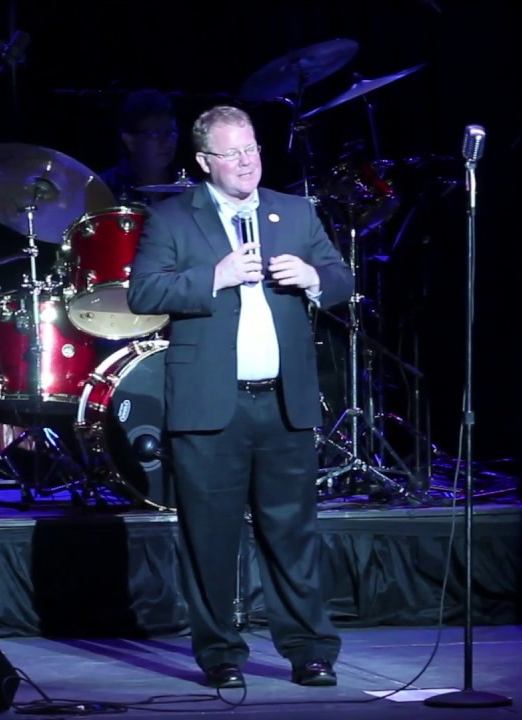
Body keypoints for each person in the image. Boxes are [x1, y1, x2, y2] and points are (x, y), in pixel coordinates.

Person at [126, 105, 355, 689]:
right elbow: (144, 292)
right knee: (210, 534)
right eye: (232, 153)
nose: (247, 162)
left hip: (284, 403)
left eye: (252, 148)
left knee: (293, 532)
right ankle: (221, 653)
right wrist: (215, 277)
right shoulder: (174, 218)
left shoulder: (295, 211)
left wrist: (315, 278)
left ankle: (309, 649)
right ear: (205, 161)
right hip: (210, 406)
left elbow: (341, 277)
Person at [97, 88, 182, 206]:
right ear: (130, 141)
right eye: (154, 135)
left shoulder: (188, 189)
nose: (166, 142)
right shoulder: (104, 187)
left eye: (171, 133)